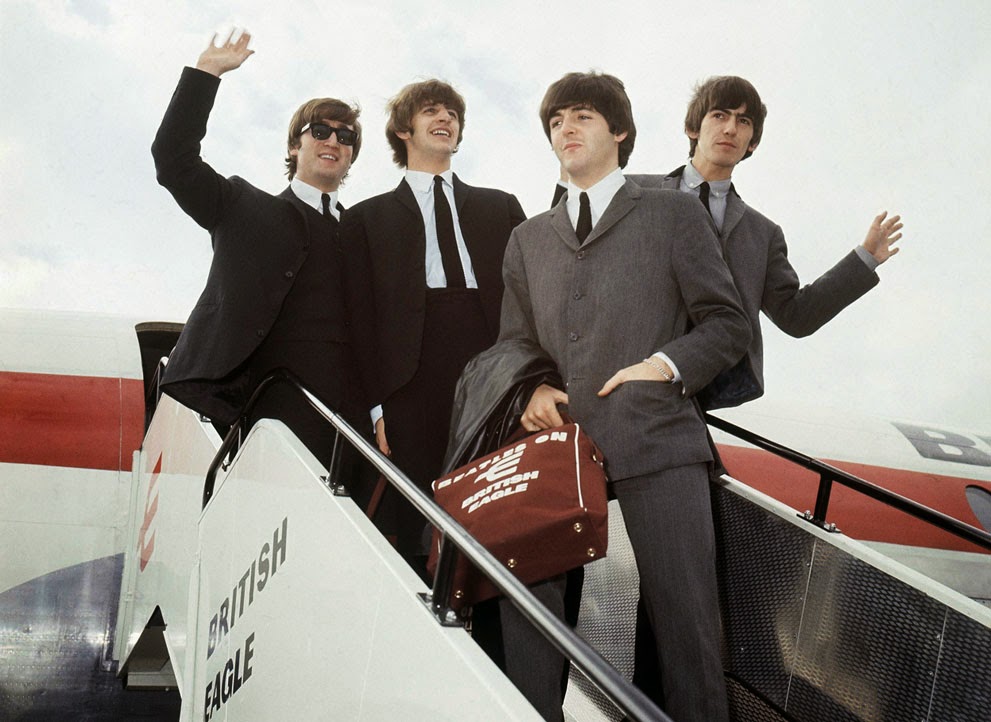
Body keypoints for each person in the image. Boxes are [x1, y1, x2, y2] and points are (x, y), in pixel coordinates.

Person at [492, 71, 752, 721]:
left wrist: (663, 365)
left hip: (657, 436)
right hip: (555, 445)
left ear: (620, 132)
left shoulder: (673, 212)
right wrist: (530, 386)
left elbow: (727, 323)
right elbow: (513, 340)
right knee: (528, 610)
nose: (566, 129)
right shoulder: (527, 239)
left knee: (686, 624)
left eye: (581, 116)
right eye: (555, 121)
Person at [553, 75, 903, 410]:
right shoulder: (631, 190)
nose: (731, 128)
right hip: (606, 371)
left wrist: (865, 258)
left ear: (752, 143)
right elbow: (562, 252)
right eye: (719, 115)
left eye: (743, 121)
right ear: (692, 128)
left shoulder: (761, 234)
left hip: (688, 392)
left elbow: (797, 317)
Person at [153, 30, 370, 467]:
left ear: (351, 157)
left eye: (345, 137)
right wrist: (206, 73)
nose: (333, 141)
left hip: (354, 421)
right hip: (273, 407)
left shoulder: (365, 233)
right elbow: (174, 159)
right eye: (321, 131)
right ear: (294, 145)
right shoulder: (244, 207)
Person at [341, 80, 526, 563]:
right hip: (410, 381)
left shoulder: (501, 206)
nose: (445, 119)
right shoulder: (364, 220)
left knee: (500, 513)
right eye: (431, 111)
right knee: (419, 522)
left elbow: (530, 298)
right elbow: (360, 321)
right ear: (404, 130)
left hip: (493, 369)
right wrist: (377, 408)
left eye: (452, 114)